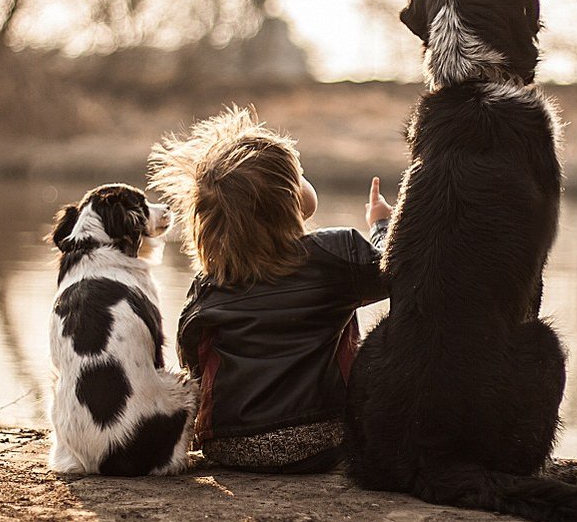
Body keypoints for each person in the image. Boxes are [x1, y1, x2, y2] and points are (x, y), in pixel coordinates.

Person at [147, 106, 393, 473]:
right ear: (292, 198)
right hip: (320, 439)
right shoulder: (336, 256)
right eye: (301, 174)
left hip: (230, 445)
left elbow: (192, 355)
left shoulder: (210, 283)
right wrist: (383, 225)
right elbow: (397, 270)